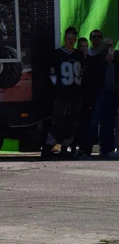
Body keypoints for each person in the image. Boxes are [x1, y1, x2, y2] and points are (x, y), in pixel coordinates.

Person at [42, 26, 84, 159]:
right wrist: (56, 82)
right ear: (65, 38)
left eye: (73, 39)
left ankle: (66, 148)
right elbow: (51, 70)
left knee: (72, 122)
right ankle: (48, 148)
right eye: (68, 38)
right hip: (62, 93)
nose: (70, 41)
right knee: (57, 121)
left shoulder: (78, 55)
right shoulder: (57, 54)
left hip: (75, 93)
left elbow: (82, 72)